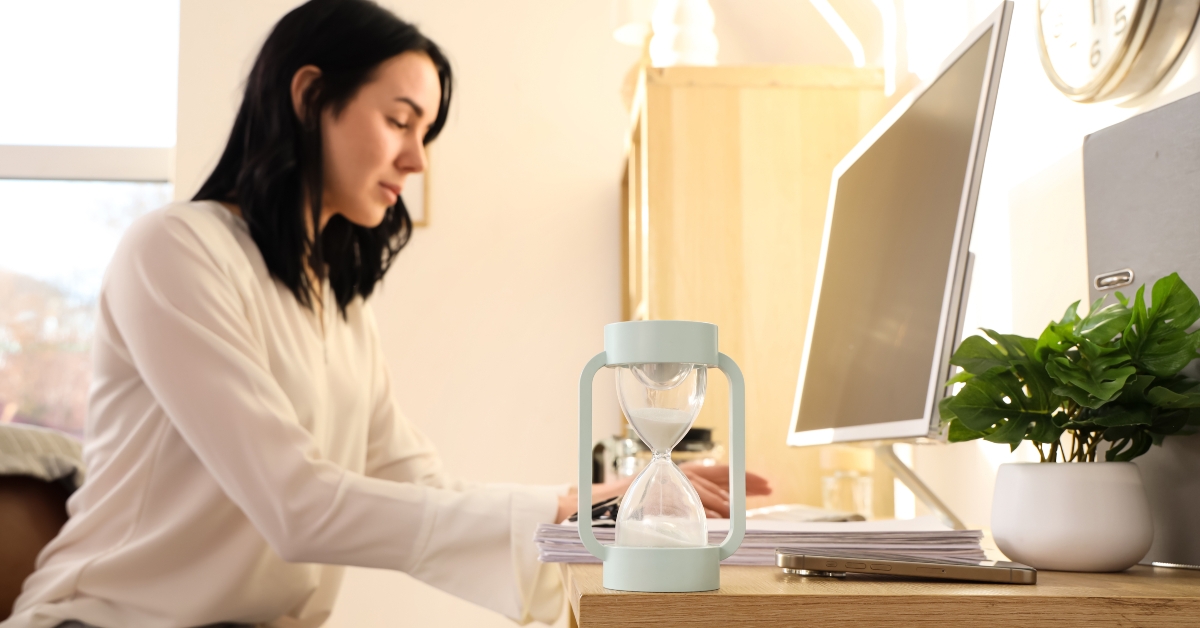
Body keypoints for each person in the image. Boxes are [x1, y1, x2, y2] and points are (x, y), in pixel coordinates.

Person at [4, 1, 769, 627]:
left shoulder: (336, 301)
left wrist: (587, 504)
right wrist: (563, 507)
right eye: (401, 121)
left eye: (425, 131)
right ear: (310, 97)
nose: (418, 158)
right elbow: (295, 505)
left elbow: (419, 485)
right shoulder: (173, 251)